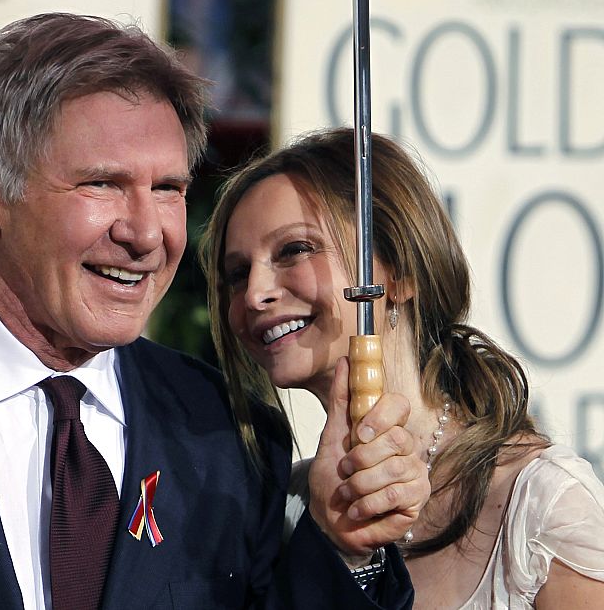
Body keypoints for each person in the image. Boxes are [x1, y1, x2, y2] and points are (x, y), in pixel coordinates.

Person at [0, 14, 430, 610]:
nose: (145, 233)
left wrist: (347, 550)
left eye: (169, 190)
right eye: (102, 184)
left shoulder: (228, 439)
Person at [200, 126, 604, 608]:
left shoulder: (541, 505)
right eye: (237, 273)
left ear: (399, 273)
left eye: (294, 250)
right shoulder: (279, 511)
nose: (253, 294)